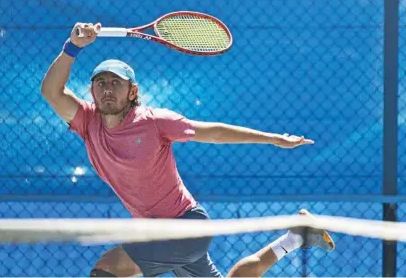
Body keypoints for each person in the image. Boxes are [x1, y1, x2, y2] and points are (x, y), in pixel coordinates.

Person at [41, 22, 335, 277]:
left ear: (132, 92)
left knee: (107, 270)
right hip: (158, 232)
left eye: (116, 83)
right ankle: (296, 237)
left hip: (186, 228)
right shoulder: (86, 121)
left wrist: (273, 139)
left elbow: (215, 133)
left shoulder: (154, 122)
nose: (107, 89)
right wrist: (72, 47)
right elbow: (51, 91)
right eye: (101, 83)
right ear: (92, 91)